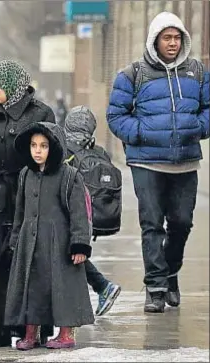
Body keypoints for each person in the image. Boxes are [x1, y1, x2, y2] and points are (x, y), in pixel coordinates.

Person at [106, 11, 209, 313]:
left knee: (181, 222)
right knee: (152, 224)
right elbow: (115, 116)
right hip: (146, 163)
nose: (173, 43)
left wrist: (199, 128)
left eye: (177, 37)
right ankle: (155, 288)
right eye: (167, 38)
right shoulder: (132, 74)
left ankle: (170, 272)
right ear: (155, 40)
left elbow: (208, 109)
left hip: (185, 162)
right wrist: (140, 134)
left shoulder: (198, 73)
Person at [0, 59, 55, 348]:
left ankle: (33, 327)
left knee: (29, 260)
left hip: (28, 191)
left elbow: (52, 152)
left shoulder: (41, 112)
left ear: (10, 84)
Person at [4, 122, 94, 350]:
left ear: (53, 148)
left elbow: (79, 214)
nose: (37, 150)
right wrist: (16, 239)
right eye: (34, 145)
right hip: (30, 242)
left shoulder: (69, 176)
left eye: (43, 146)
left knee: (63, 288)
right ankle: (31, 333)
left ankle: (66, 334)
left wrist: (80, 245)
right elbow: (20, 211)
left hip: (60, 243)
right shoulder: (26, 174)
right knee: (32, 287)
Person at [62, 105, 122, 317]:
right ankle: (100, 289)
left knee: (69, 254)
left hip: (68, 215)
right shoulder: (98, 151)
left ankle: (101, 287)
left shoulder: (64, 149)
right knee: (74, 254)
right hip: (89, 216)